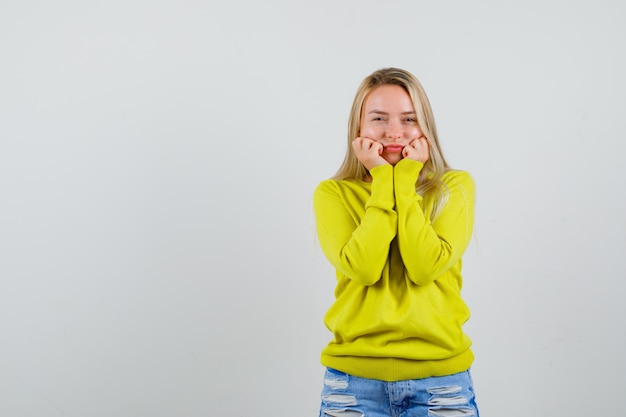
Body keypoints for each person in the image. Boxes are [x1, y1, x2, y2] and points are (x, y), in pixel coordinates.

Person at [313, 67, 480, 417]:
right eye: (378, 118)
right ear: (358, 128)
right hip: (353, 382)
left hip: (441, 382)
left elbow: (424, 267)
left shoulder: (454, 188)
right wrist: (380, 179)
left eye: (409, 119)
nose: (394, 132)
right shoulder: (333, 193)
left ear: (426, 127)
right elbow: (363, 268)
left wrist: (403, 181)